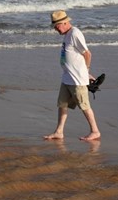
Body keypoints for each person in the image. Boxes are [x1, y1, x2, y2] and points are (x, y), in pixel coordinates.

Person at [43, 10, 101, 141]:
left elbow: (87, 54)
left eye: (57, 26)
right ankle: (59, 132)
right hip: (67, 78)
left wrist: (86, 73)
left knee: (84, 105)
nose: (55, 29)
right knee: (62, 104)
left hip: (77, 79)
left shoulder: (75, 33)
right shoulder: (67, 34)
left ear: (64, 22)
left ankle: (95, 131)